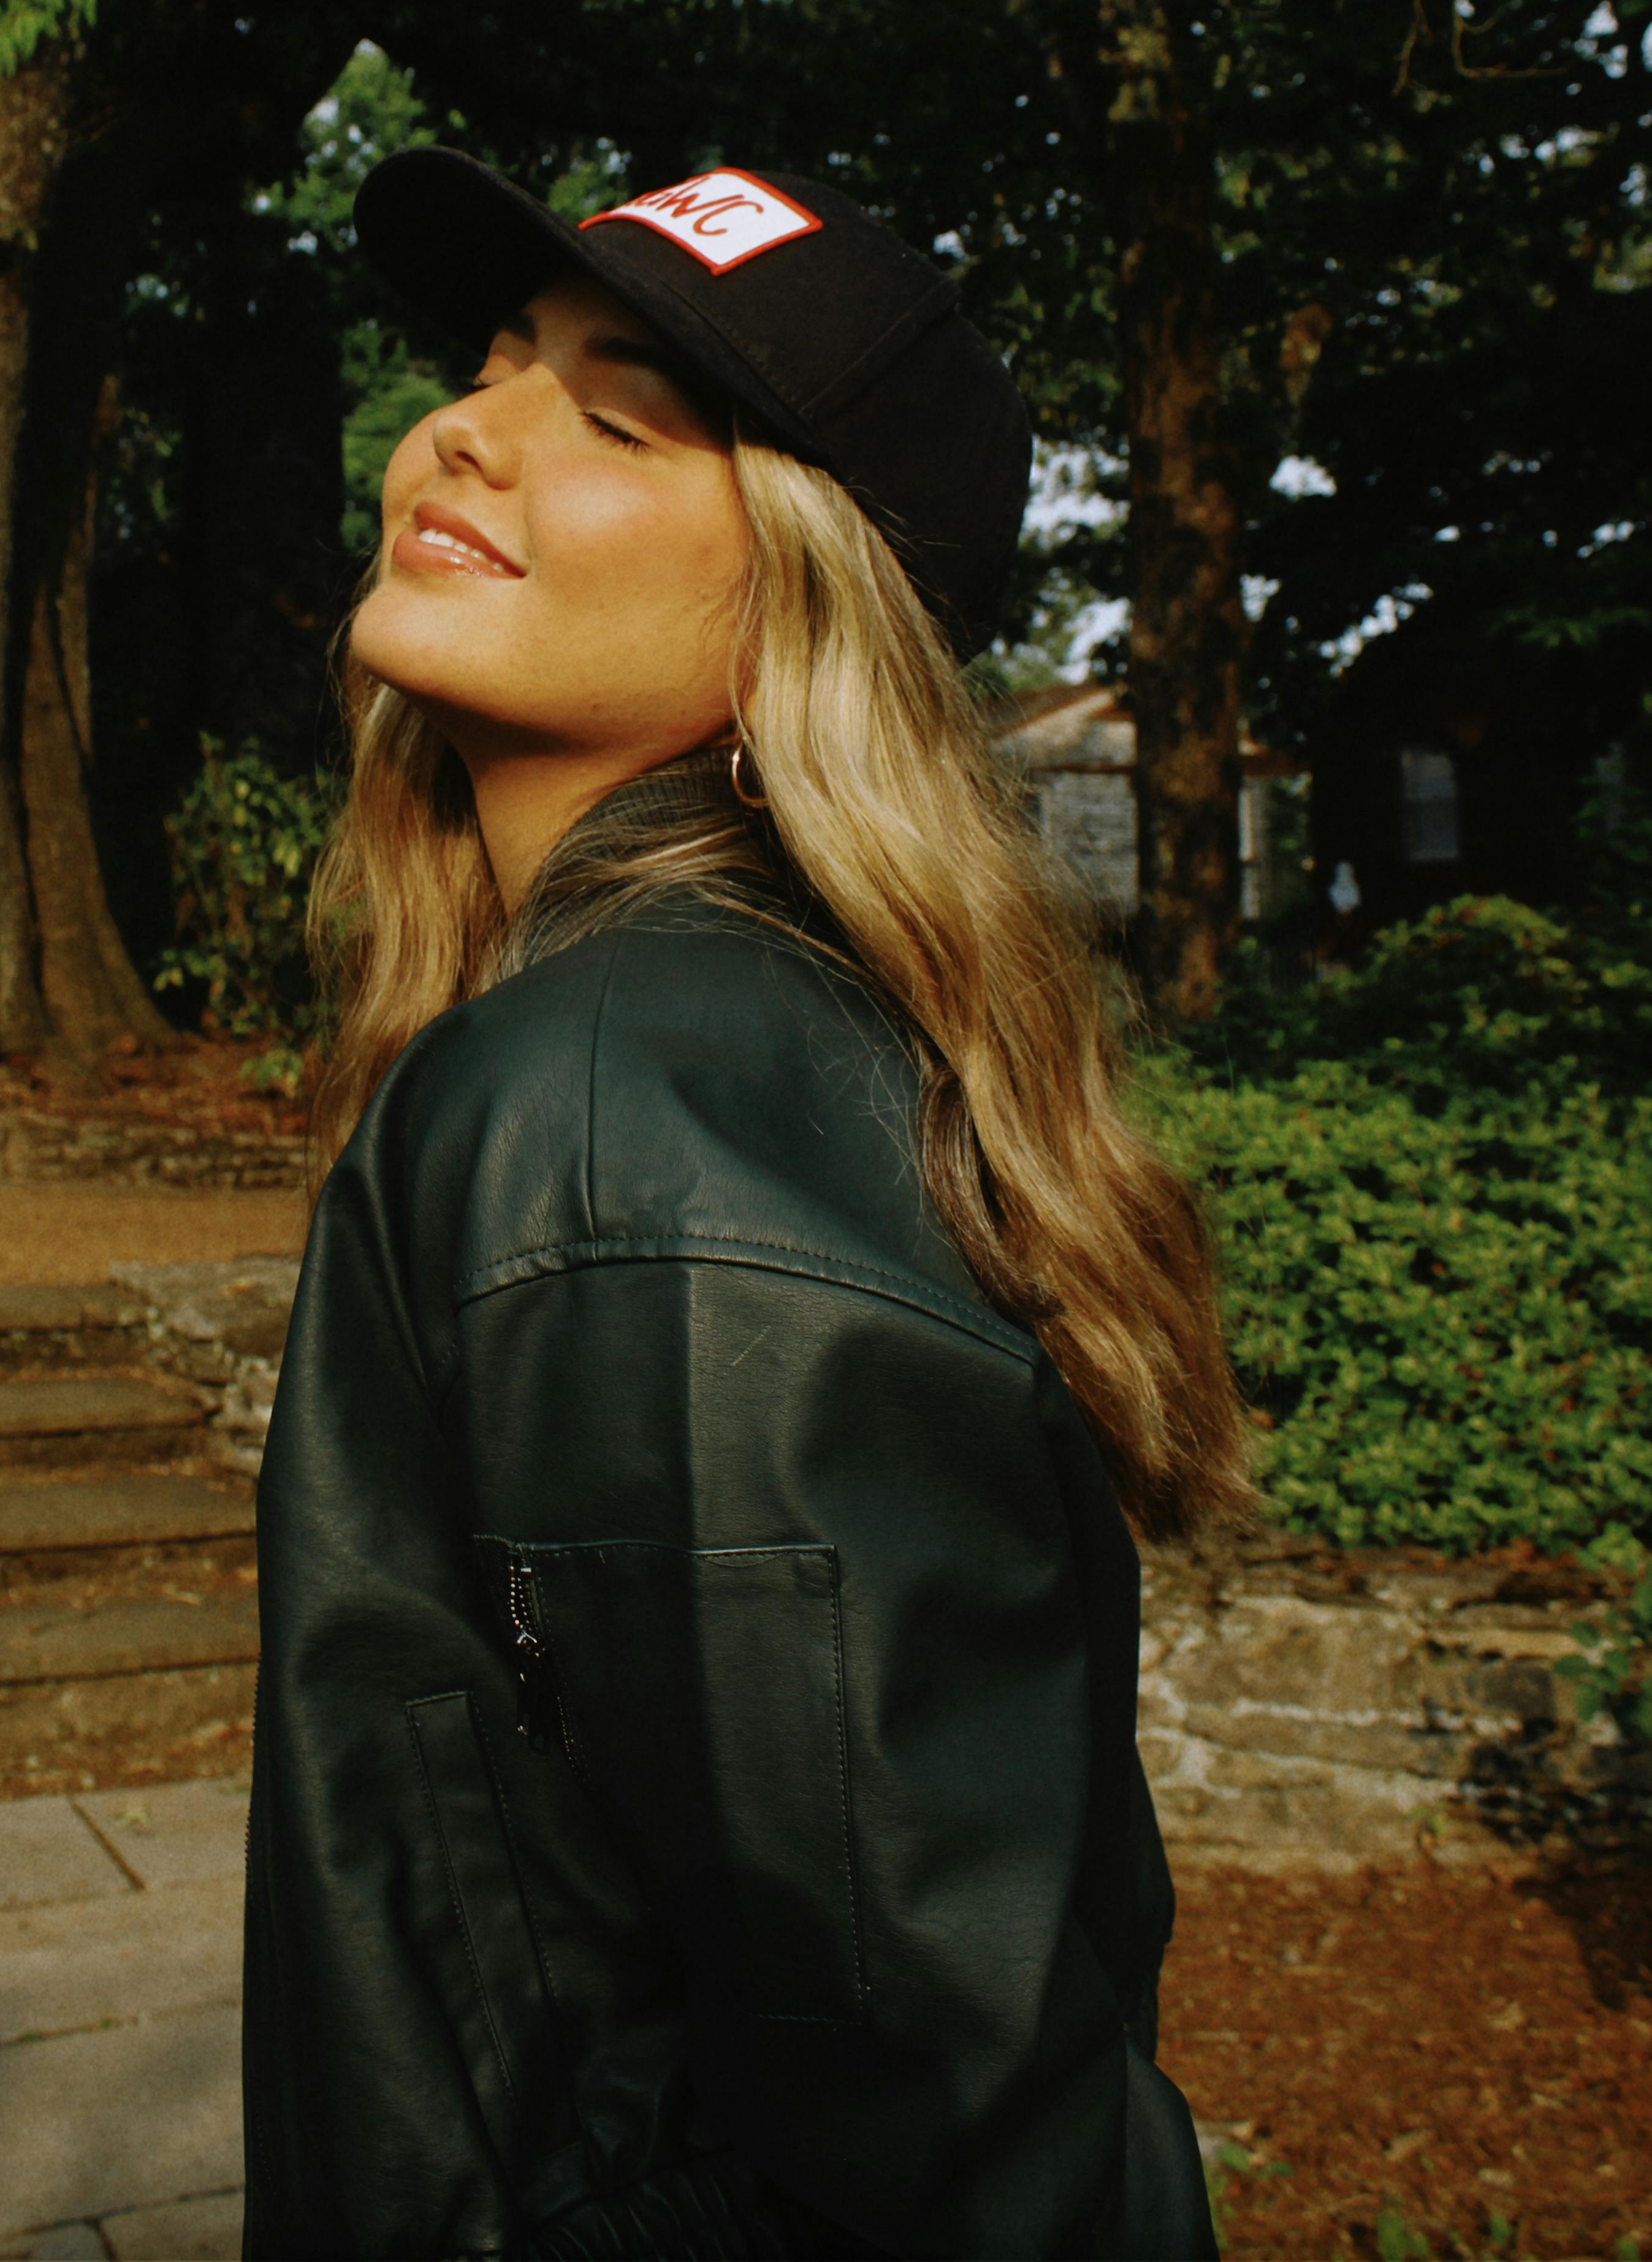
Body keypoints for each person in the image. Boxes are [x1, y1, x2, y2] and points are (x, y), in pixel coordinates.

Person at [240, 151, 1249, 2260]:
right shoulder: (674, 1050)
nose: (469, 426)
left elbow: (945, 2119)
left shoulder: (630, 1115)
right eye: (498, 360)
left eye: (613, 417)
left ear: (805, 597)